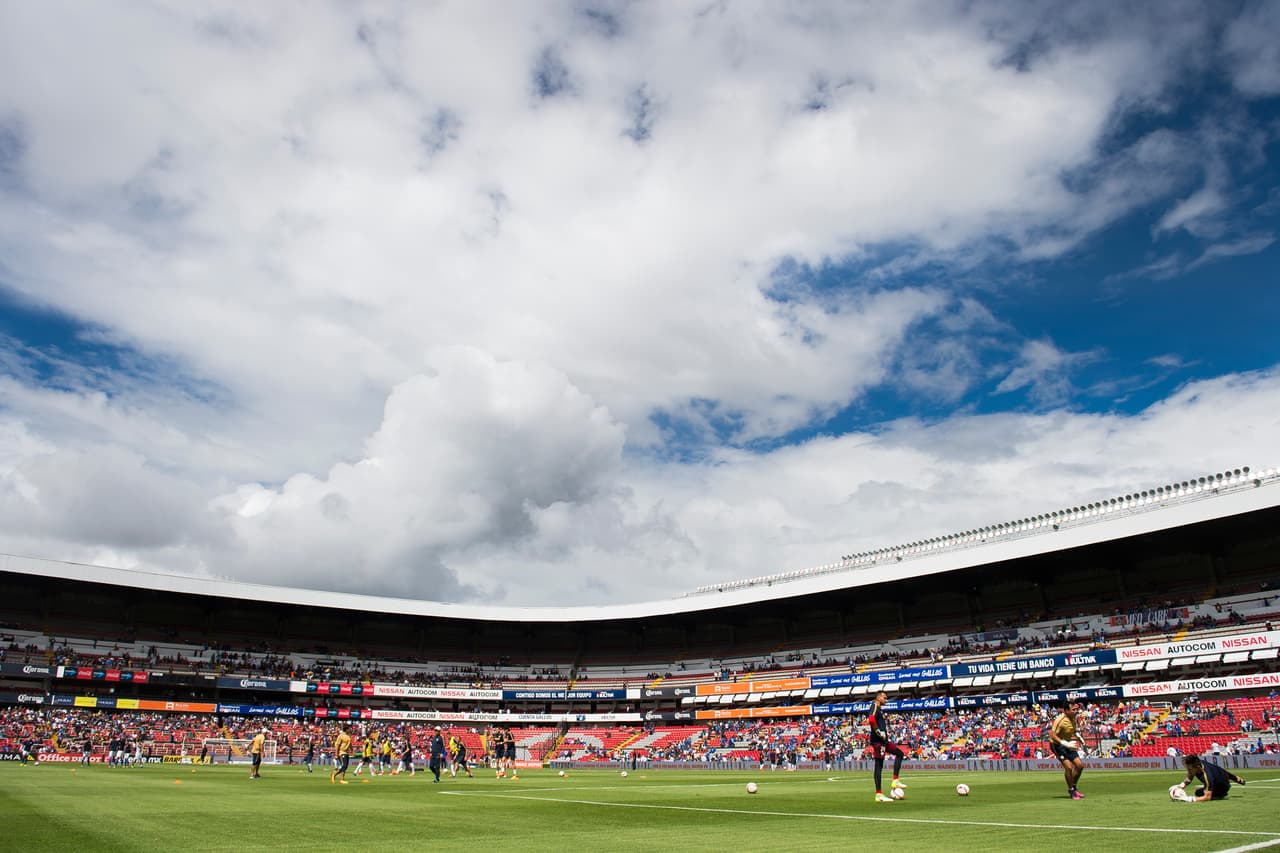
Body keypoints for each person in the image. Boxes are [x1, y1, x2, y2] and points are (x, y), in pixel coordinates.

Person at [867, 691, 907, 803]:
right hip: (878, 741)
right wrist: (878, 731)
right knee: (879, 765)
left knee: (900, 754)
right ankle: (878, 794)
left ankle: (895, 780)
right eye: (884, 698)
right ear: (879, 697)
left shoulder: (880, 708)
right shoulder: (875, 705)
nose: (886, 700)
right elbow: (871, 719)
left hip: (884, 741)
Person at [1048, 700, 1086, 800]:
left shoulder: (1073, 717)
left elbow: (1073, 730)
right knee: (1068, 767)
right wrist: (1065, 743)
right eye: (1073, 709)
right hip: (1057, 745)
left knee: (1079, 766)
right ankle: (1071, 790)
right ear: (1066, 710)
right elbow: (1052, 734)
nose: (1075, 711)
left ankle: (1073, 787)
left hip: (1068, 744)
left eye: (1076, 709)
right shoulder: (1060, 720)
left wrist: (1079, 738)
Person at [1177, 754, 1246, 801]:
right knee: (1200, 792)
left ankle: (1220, 795)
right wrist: (1180, 787)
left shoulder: (1207, 776)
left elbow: (1207, 797)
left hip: (1223, 787)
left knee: (1199, 793)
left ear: (1197, 767)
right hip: (1222, 776)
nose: (1188, 771)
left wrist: (1188, 799)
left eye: (1190, 769)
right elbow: (1222, 771)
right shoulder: (1199, 763)